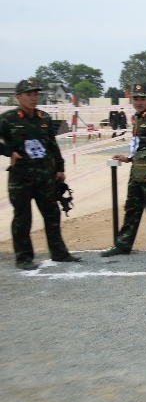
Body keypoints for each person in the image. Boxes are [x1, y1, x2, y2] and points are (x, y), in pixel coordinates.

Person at [0, 79, 81, 270]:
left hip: (45, 176)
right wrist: (9, 152)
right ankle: (24, 257)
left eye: (35, 94)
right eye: (28, 94)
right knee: (23, 217)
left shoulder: (44, 118)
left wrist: (60, 168)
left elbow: (52, 145)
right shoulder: (8, 119)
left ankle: (59, 253)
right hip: (21, 177)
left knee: (52, 214)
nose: (33, 98)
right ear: (18, 97)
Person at [101, 83, 146, 258]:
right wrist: (128, 158)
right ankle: (123, 245)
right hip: (137, 171)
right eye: (135, 98)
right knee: (131, 208)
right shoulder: (138, 118)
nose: (139, 102)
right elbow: (139, 146)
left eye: (142, 99)